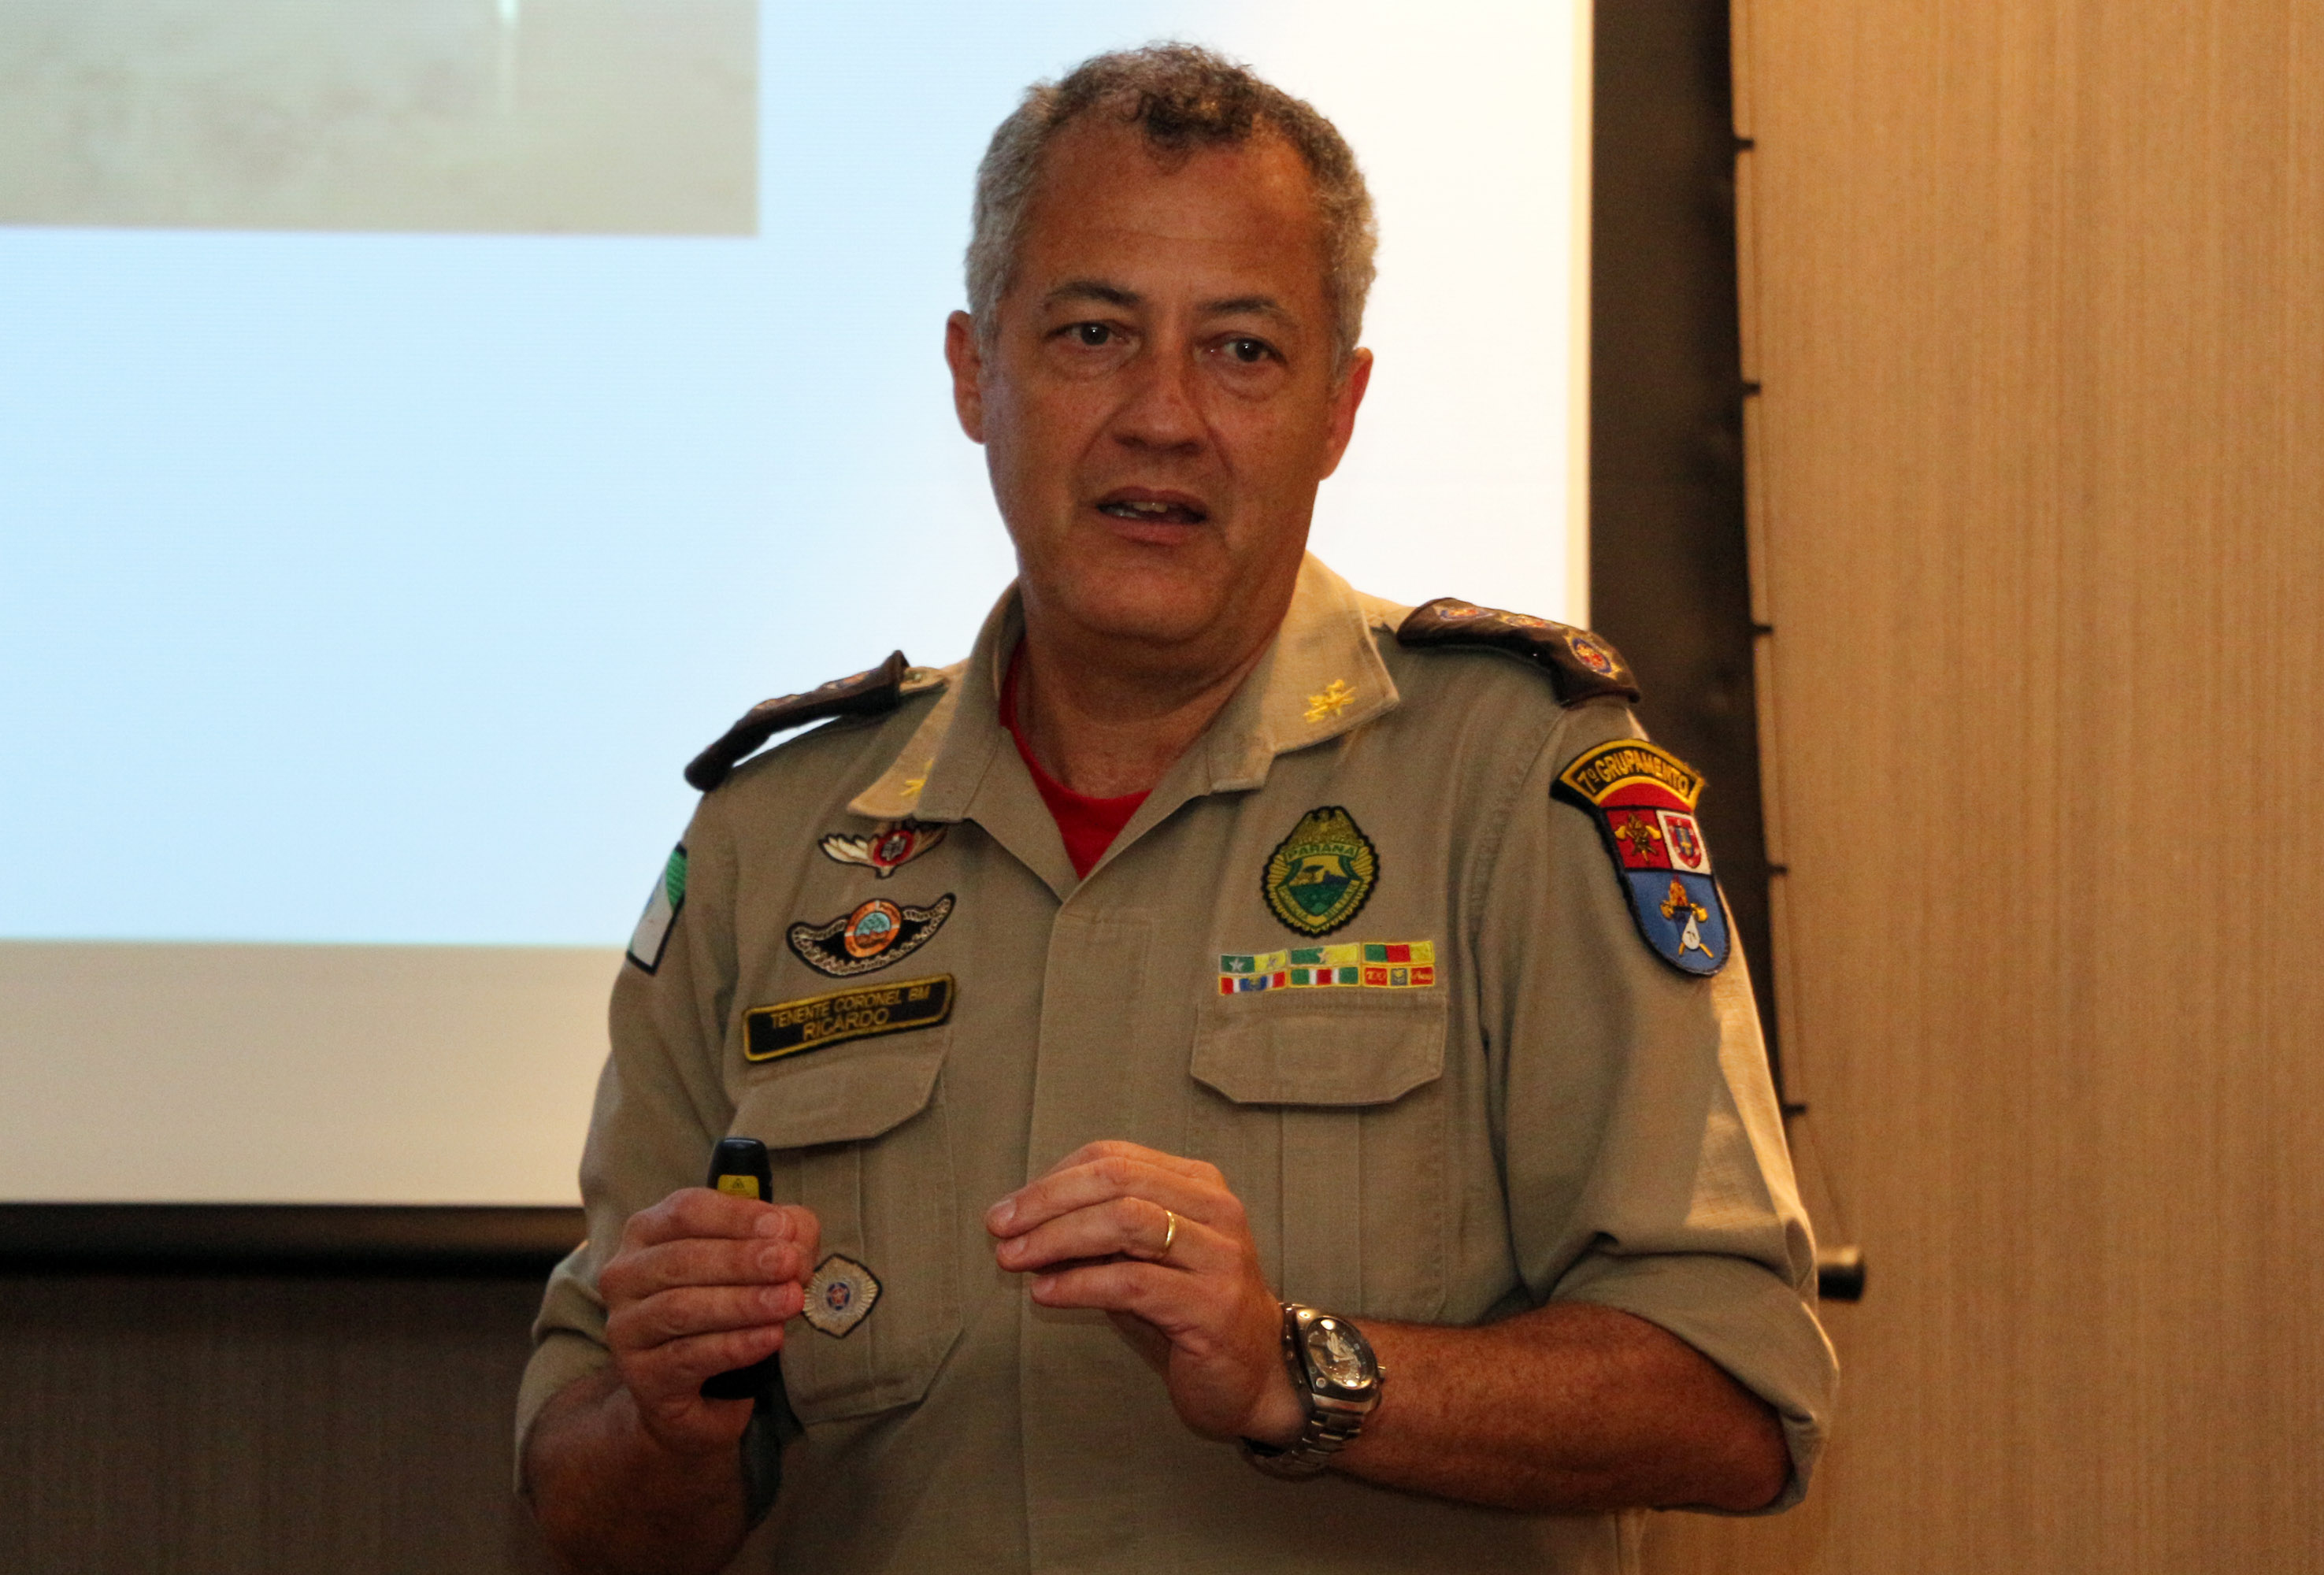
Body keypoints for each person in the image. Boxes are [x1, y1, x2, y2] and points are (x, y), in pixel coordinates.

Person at [517, 43, 1835, 1575]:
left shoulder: (1518, 785)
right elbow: (583, 1506)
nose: (1163, 416)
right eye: (1093, 333)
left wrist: (1297, 1370)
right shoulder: (772, 841)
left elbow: (1736, 1396)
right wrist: (668, 1424)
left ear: (1339, 408)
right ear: (973, 372)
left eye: (1243, 351)